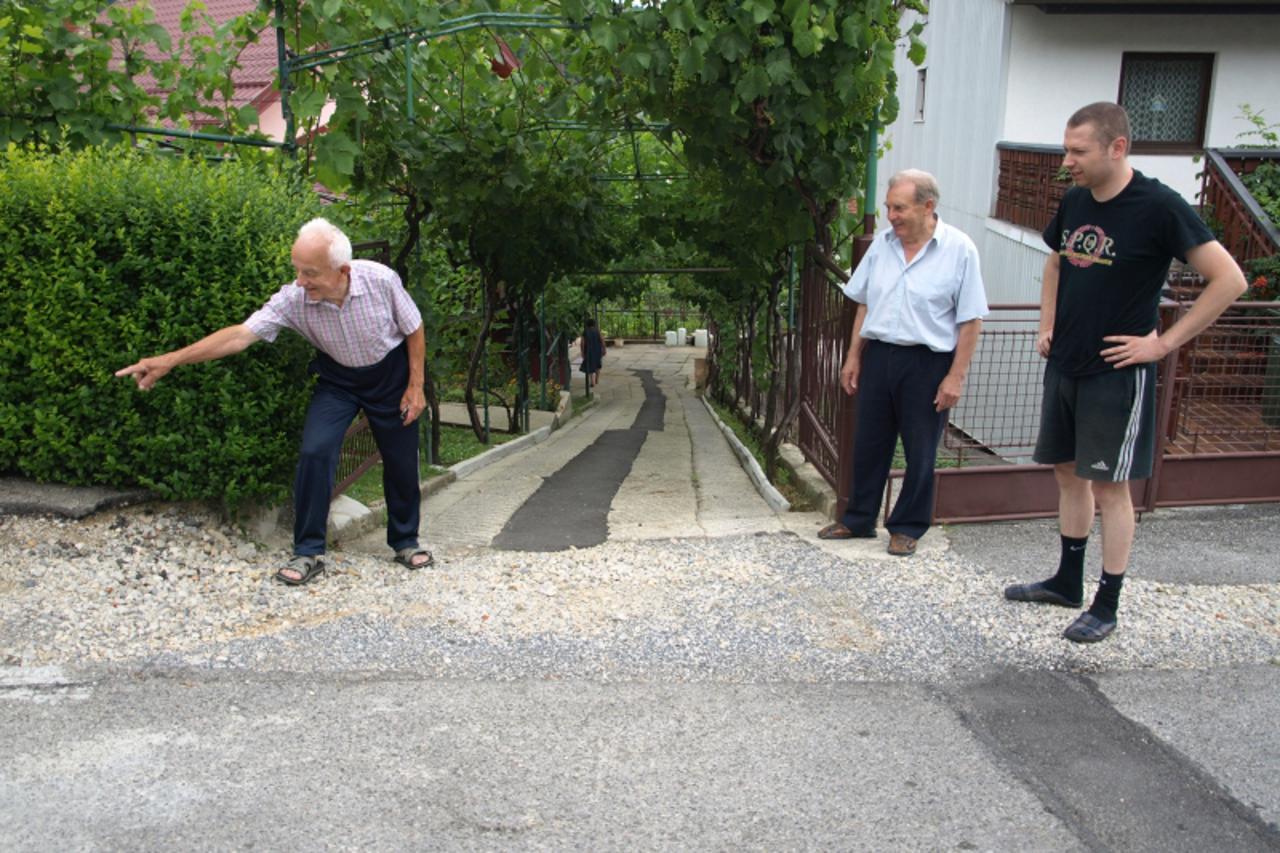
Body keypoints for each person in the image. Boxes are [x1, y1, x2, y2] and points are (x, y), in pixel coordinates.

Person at [1004, 102, 1247, 643]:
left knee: (1112, 488)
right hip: (1067, 361)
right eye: (1067, 149)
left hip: (1117, 372)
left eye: (1078, 151)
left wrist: (1162, 344)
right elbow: (1056, 261)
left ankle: (1105, 603)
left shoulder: (1159, 206)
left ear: (1117, 148)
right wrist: (1048, 323)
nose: (1067, 161)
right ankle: (1067, 581)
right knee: (1066, 473)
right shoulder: (1074, 200)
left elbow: (1229, 280)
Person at [116, 218, 434, 586]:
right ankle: (309, 551)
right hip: (339, 381)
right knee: (315, 451)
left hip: (391, 376)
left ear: (342, 270)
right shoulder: (294, 300)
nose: (300, 281)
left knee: (400, 459)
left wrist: (416, 385)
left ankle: (405, 542)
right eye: (297, 270)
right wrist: (169, 360)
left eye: (310, 272)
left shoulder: (380, 280)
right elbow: (238, 336)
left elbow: (413, 326)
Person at [818, 169, 988, 556]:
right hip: (879, 355)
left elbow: (971, 319)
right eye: (889, 207)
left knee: (920, 448)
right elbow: (864, 303)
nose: (891, 216)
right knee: (869, 443)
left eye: (899, 208)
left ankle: (907, 526)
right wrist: (853, 356)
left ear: (928, 206)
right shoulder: (882, 246)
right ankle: (858, 519)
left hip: (927, 362)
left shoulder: (959, 249)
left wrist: (955, 377)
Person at [578, 317, 605, 388]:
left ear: (587, 324)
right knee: (597, 365)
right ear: (594, 324)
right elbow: (602, 340)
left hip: (589, 351)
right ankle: (597, 380)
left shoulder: (585, 331)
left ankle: (592, 381)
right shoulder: (597, 331)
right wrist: (604, 349)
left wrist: (582, 352)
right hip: (597, 350)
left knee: (590, 365)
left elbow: (582, 342)